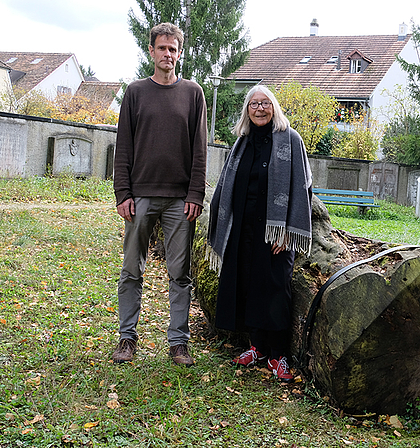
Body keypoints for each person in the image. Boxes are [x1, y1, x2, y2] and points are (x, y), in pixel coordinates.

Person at [111, 23, 207, 366]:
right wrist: (123, 192)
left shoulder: (194, 93)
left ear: (180, 54)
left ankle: (178, 343)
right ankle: (127, 338)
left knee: (179, 274)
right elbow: (123, 148)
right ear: (151, 51)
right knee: (131, 270)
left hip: (181, 201)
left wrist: (195, 194)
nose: (168, 54)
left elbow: (200, 150)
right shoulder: (135, 93)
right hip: (141, 197)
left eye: (174, 49)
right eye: (162, 48)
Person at [206, 85, 313, 382]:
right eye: (254, 104)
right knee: (248, 284)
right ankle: (257, 347)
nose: (260, 109)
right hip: (243, 226)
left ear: (274, 107)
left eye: (265, 103)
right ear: (247, 110)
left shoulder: (290, 139)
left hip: (276, 231)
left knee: (275, 287)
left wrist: (287, 233)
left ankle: (279, 355)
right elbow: (227, 182)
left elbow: (302, 187)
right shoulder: (242, 142)